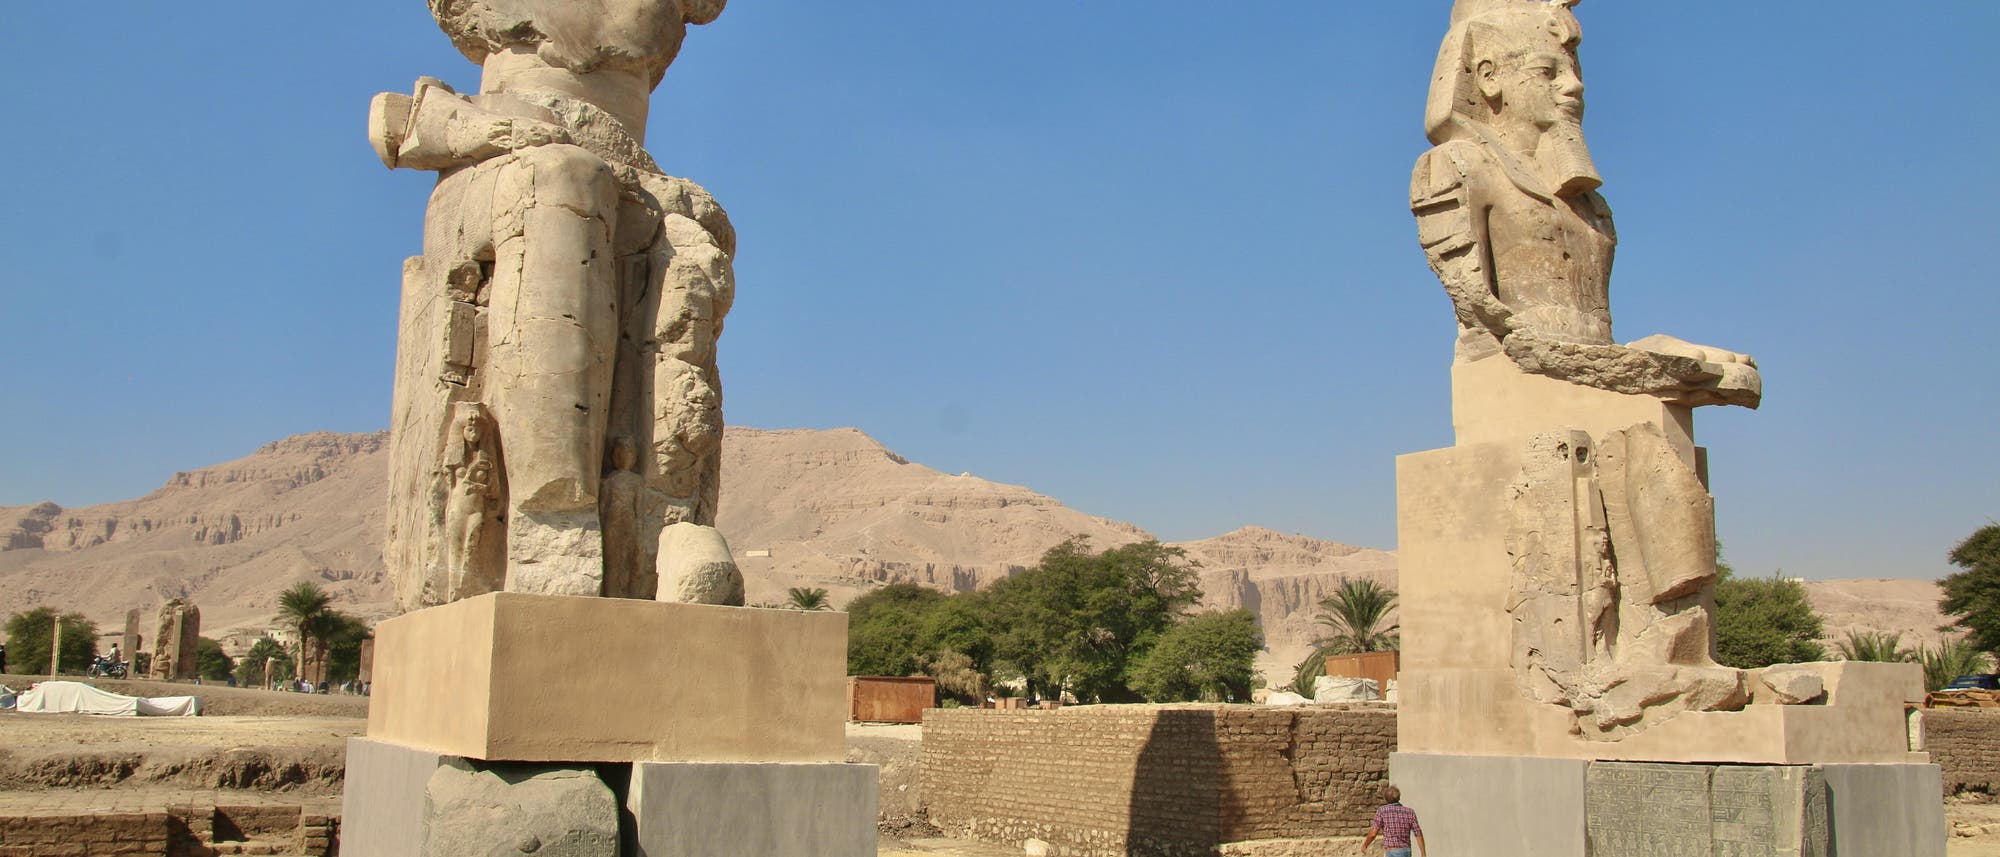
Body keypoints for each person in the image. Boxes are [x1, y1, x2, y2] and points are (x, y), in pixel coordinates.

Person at [1361, 785, 1425, 857]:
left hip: (1392, 851)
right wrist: (1423, 853)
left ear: (1386, 799)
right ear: (1399, 797)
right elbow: (1418, 833)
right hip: (1406, 851)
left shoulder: (1382, 811)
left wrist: (1365, 845)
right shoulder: (1410, 812)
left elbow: (1373, 833)